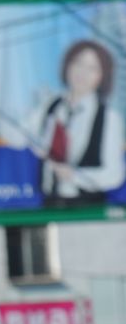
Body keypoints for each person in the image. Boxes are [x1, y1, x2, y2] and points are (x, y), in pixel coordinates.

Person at [35, 39, 126, 208]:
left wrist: (74, 175)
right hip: (48, 204)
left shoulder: (109, 117)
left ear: (102, 75)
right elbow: (17, 135)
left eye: (92, 68)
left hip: (87, 209)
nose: (82, 73)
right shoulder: (51, 106)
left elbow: (114, 175)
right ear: (67, 65)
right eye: (78, 63)